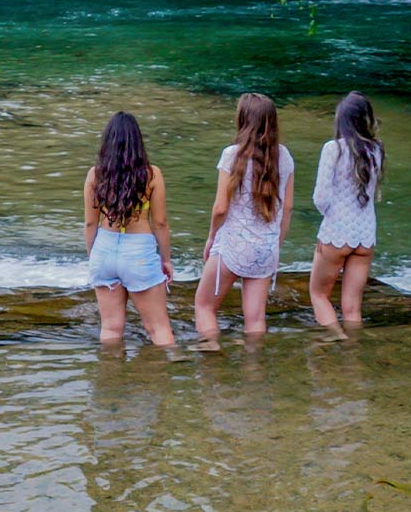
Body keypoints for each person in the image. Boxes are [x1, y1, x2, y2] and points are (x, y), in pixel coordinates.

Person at [194, 92, 294, 341]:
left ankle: (211, 350)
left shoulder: (232, 155)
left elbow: (220, 208)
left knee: (204, 306)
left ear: (242, 120)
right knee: (256, 319)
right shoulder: (284, 157)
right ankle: (254, 362)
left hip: (233, 247)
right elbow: (287, 208)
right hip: (266, 249)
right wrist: (276, 244)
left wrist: (211, 238)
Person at [84, 112, 175, 347]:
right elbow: (160, 223)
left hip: (104, 250)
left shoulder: (95, 174)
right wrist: (166, 259)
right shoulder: (151, 174)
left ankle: (111, 369)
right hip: (138, 253)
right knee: (158, 328)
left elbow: (90, 223)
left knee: (110, 328)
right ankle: (173, 368)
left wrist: (93, 256)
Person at [309, 91, 384, 329]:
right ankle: (352, 347)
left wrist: (329, 225)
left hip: (336, 233)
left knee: (318, 295)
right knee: (352, 307)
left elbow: (320, 198)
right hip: (365, 235)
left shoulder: (333, 149)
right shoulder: (376, 150)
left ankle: (336, 337)